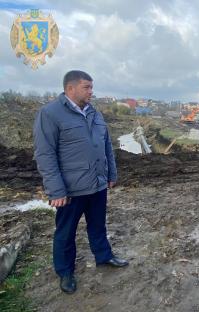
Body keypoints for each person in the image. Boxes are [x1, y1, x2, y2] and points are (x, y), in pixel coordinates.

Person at [33, 70, 128, 294]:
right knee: (65, 232)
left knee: (98, 225)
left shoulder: (95, 114)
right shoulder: (50, 114)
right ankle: (65, 272)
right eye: (87, 87)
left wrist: (111, 174)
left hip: (97, 185)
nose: (91, 92)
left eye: (91, 87)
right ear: (70, 89)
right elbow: (45, 154)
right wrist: (56, 191)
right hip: (70, 189)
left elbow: (106, 147)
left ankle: (104, 257)